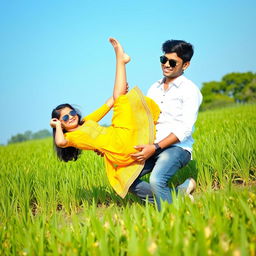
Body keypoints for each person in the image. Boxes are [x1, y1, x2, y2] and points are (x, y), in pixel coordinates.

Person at [50, 38, 160, 199]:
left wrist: (121, 89)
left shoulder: (87, 121)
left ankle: (172, 195)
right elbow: (60, 143)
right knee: (120, 97)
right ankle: (120, 60)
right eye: (65, 117)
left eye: (72, 113)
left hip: (121, 136)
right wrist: (56, 126)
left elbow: (108, 104)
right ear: (61, 123)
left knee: (119, 98)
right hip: (120, 147)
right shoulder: (69, 137)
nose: (71, 117)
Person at [129, 39, 203, 210]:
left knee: (156, 180)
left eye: (172, 62)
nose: (166, 65)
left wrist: (155, 147)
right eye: (163, 60)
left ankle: (171, 217)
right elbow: (145, 120)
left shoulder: (190, 91)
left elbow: (184, 130)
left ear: (185, 65)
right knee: (126, 179)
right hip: (151, 146)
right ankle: (177, 196)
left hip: (177, 148)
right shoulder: (154, 88)